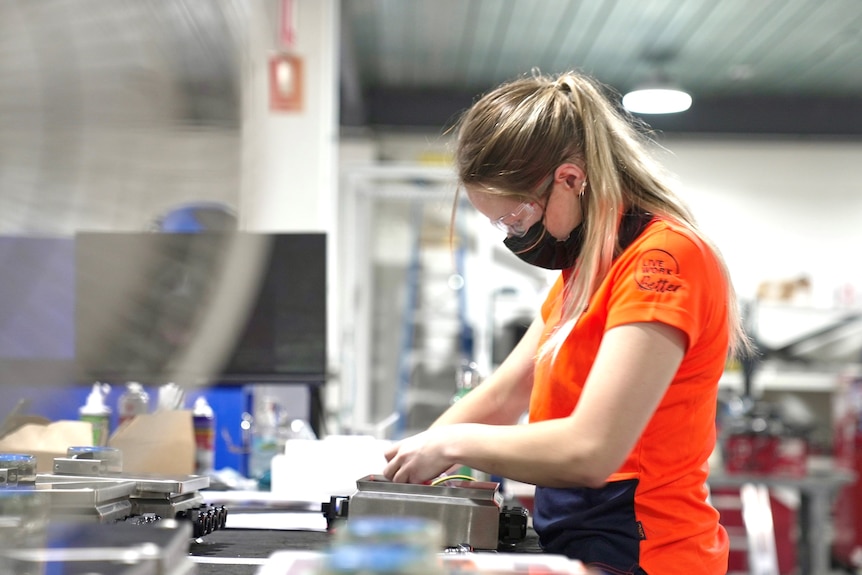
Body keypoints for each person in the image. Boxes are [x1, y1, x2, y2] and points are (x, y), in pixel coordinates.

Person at [382, 70, 750, 574]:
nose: (514, 236)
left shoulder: (662, 261)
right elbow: (504, 395)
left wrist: (450, 444)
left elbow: (592, 449)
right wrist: (400, 475)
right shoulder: (586, 271)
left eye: (517, 219)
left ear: (571, 179)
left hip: (644, 550)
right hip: (580, 539)